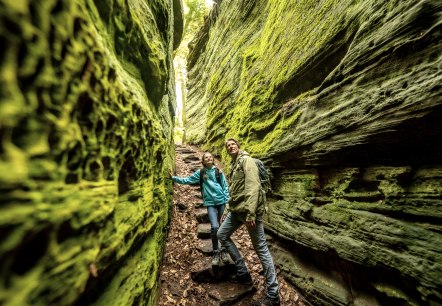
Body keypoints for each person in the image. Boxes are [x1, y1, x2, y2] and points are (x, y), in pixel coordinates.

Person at [217, 138, 280, 306]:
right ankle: (243, 272)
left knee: (261, 249)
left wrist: (251, 214)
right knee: (221, 234)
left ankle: (273, 295)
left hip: (249, 212)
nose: (230, 146)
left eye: (233, 144)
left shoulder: (246, 160)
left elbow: (253, 187)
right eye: (227, 145)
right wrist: (226, 210)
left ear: (238, 146)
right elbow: (234, 191)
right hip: (237, 210)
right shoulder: (234, 164)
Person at [171, 152, 230, 266]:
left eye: (210, 157)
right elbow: (187, 180)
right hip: (210, 203)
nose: (208, 158)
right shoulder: (201, 172)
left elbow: (225, 185)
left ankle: (224, 251)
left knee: (223, 226)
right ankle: (216, 252)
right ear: (203, 161)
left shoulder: (218, 171)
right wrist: (173, 178)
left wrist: (227, 200)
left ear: (212, 159)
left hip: (221, 201)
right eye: (206, 157)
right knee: (214, 227)